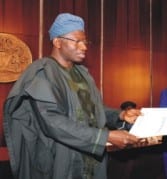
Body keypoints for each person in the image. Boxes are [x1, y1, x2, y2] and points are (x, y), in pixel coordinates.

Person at [3, 13, 141, 179]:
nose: (84, 47)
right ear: (57, 42)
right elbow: (52, 122)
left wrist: (120, 115)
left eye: (85, 41)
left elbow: (92, 110)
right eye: (77, 41)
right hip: (62, 158)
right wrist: (104, 137)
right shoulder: (42, 72)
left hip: (91, 157)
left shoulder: (81, 73)